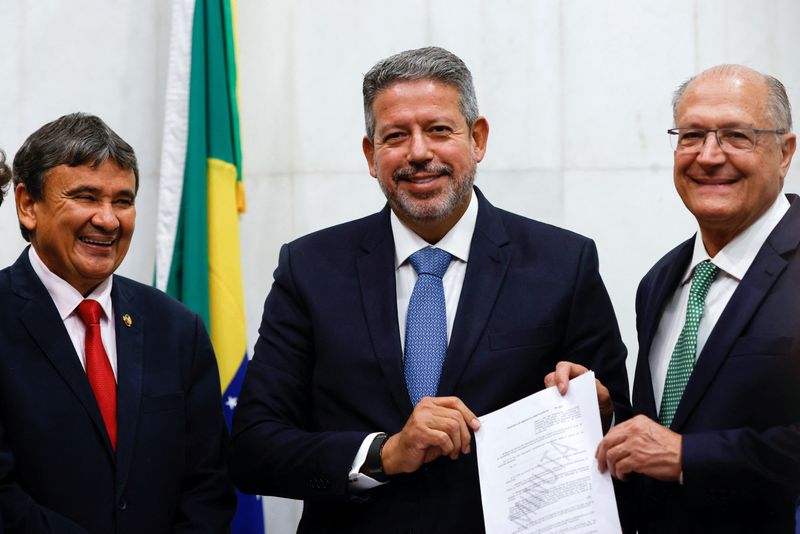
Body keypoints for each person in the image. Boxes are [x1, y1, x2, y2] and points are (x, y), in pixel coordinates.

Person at [230, 46, 630, 532]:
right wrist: (385, 453)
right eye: (395, 136)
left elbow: (621, 427)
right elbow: (255, 446)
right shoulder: (309, 268)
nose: (418, 153)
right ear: (370, 155)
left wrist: (597, 411)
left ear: (477, 139)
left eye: (439, 130)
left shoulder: (563, 264)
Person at [551, 64, 800, 532]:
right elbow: (666, 427)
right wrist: (604, 413)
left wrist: (688, 456)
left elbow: (675, 448)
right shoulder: (660, 281)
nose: (708, 155)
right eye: (691, 135)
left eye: (736, 135)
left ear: (784, 152)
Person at [0, 113, 235, 533]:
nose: (109, 219)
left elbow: (207, 487)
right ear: (27, 205)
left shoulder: (177, 328)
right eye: (86, 197)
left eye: (123, 201)